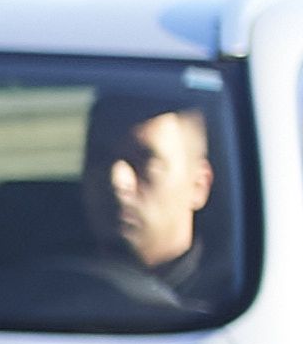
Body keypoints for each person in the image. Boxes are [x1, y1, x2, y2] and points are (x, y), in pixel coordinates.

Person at [84, 91, 217, 297]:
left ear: (199, 186)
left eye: (144, 160)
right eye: (100, 159)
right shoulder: (45, 292)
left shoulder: (240, 305)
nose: (117, 180)